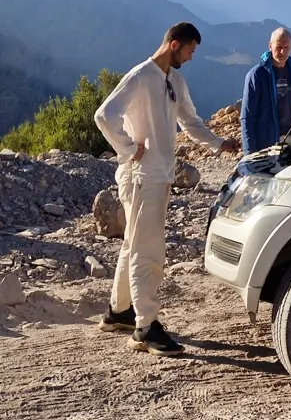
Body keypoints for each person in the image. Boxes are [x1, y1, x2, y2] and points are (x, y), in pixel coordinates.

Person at [94, 21, 240, 356]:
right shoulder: (140, 76)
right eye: (189, 50)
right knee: (148, 251)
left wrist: (218, 143)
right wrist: (129, 148)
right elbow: (104, 116)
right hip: (141, 177)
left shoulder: (175, 81)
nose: (191, 57)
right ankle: (145, 327)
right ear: (174, 44)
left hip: (158, 176)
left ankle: (118, 312)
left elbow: (190, 122)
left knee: (134, 244)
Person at [240, 26, 291, 153]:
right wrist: (249, 153)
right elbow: (247, 117)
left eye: (286, 47)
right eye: (278, 47)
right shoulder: (257, 75)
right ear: (270, 46)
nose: (282, 52)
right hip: (267, 145)